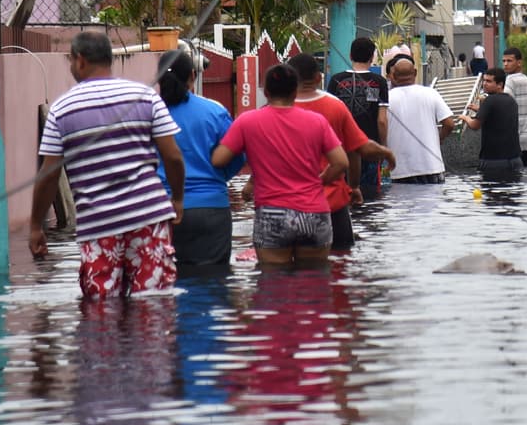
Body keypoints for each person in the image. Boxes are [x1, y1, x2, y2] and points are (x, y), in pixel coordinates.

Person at [29, 31, 186, 300]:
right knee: (154, 307)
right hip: (147, 217)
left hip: (98, 225)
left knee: (101, 313)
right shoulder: (145, 96)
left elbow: (49, 174)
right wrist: (178, 198)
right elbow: (173, 156)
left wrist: (35, 227)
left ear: (79, 60)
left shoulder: (61, 109)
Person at [212, 63, 348, 266]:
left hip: (271, 212)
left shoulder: (247, 121)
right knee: (315, 282)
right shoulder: (317, 121)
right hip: (313, 211)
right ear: (295, 91)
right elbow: (341, 163)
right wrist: (321, 181)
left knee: (273, 286)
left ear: (265, 92)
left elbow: (219, 159)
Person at [287, 52, 395, 251]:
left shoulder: (274, 110)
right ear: (319, 77)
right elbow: (354, 150)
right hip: (330, 203)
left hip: (284, 206)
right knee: (340, 264)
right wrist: (353, 186)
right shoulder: (335, 106)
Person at [155, 49, 242, 267]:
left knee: (163, 285)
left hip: (159, 210)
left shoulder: (147, 113)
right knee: (213, 285)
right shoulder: (214, 112)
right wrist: (219, 176)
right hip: (210, 210)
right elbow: (237, 155)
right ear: (193, 75)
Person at [326, 36, 390, 199]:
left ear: (350, 56)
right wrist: (382, 147)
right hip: (369, 147)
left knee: (343, 193)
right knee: (370, 197)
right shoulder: (378, 82)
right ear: (372, 57)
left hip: (340, 149)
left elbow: (328, 118)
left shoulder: (336, 80)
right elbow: (381, 120)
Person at [385, 57, 456, 184]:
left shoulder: (387, 98)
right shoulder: (431, 93)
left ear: (393, 76)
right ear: (415, 73)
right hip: (433, 167)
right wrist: (440, 139)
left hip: (401, 169)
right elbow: (449, 124)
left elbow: (381, 125)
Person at [458, 68, 523, 180]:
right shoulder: (511, 101)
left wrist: (465, 118)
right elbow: (498, 115)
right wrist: (480, 109)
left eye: (489, 81)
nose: (484, 84)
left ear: (500, 84)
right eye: (484, 81)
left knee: (491, 195)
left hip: (494, 162)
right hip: (515, 160)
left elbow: (474, 125)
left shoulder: (489, 101)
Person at [501, 46, 527, 167]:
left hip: (519, 141)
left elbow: (504, 104)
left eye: (509, 61)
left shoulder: (511, 80)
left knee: (516, 180)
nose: (506, 64)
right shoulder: (526, 80)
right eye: (504, 61)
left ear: (519, 62)